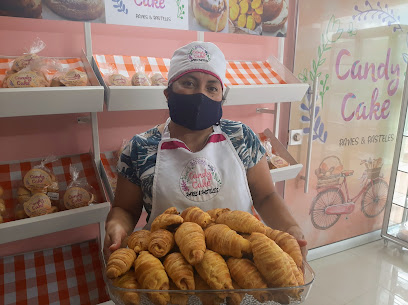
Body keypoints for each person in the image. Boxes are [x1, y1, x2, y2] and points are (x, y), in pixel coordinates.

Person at [104, 41, 307, 260]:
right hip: (169, 269)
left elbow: (265, 196)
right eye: (188, 83)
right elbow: (125, 209)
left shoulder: (242, 138)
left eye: (211, 87)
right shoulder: (139, 148)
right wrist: (116, 225)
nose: (200, 95)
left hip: (241, 261)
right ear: (168, 93)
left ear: (222, 96)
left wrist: (290, 228)